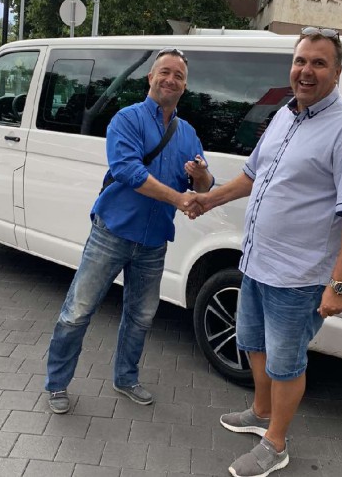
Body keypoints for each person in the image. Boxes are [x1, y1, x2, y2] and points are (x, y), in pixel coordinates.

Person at [185, 28, 342, 477]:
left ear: (337, 71)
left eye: (319, 63)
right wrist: (208, 198)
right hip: (257, 262)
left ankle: (275, 444)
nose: (306, 71)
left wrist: (339, 285)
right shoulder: (284, 115)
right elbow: (252, 176)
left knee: (286, 363)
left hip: (299, 276)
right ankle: (260, 411)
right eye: (300, 61)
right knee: (252, 343)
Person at [45, 47, 213, 414]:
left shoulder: (187, 133)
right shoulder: (127, 119)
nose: (171, 79)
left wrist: (201, 176)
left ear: (185, 86)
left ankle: (125, 378)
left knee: (141, 317)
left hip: (153, 241)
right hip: (112, 233)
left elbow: (204, 185)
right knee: (78, 311)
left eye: (179, 76)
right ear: (150, 77)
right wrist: (179, 198)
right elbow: (128, 171)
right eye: (164, 72)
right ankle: (56, 383)